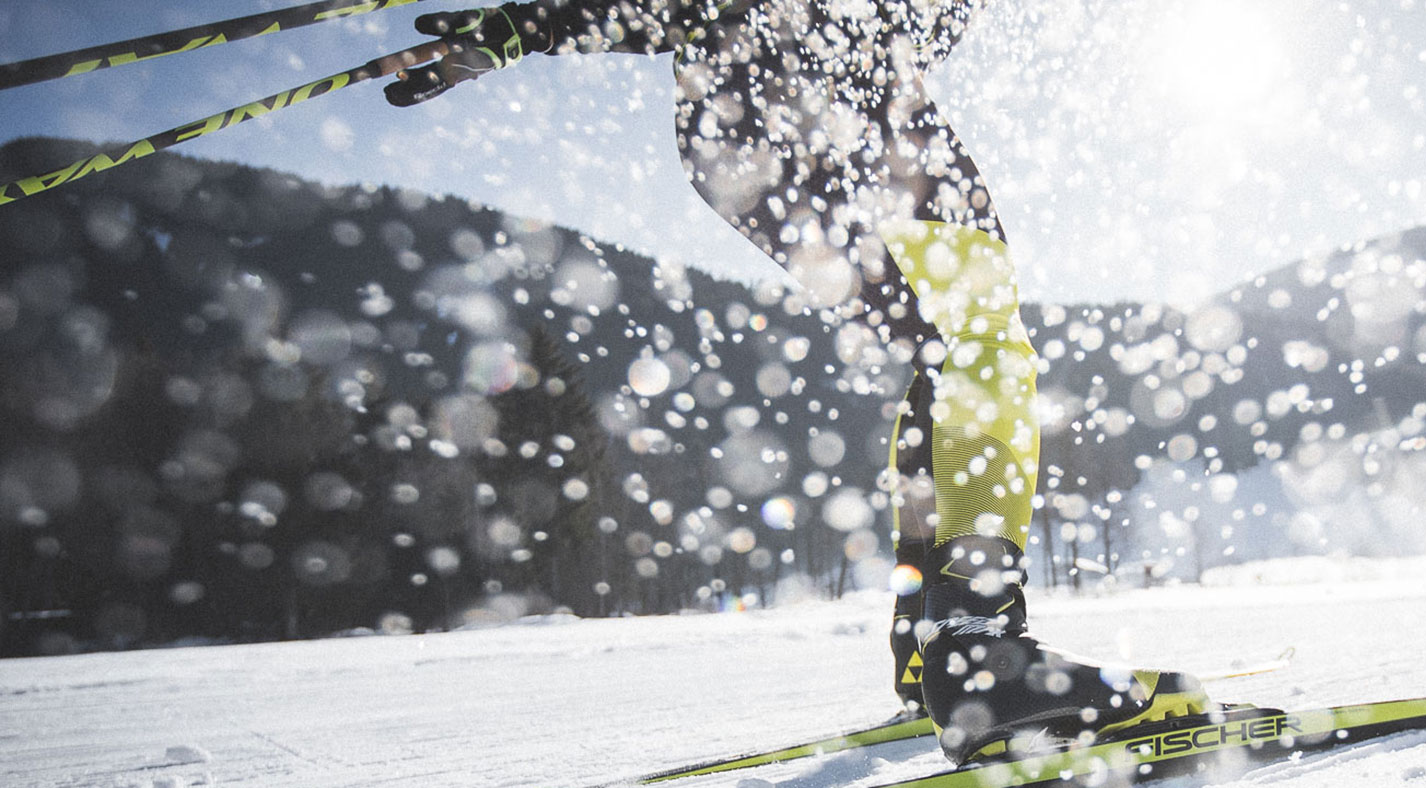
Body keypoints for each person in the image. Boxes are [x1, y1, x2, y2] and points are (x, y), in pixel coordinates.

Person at [384, 0, 1212, 763]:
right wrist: (532, 24)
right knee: (976, 341)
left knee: (951, 348)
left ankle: (941, 655)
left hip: (787, 107)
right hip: (824, 94)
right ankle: (978, 657)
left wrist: (528, 27)